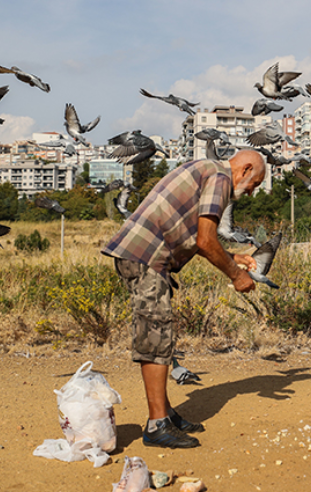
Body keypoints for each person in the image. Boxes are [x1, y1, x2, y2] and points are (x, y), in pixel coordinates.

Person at [101, 150, 266, 448]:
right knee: (156, 336)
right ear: (245, 169)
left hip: (142, 254)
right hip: (146, 256)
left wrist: (232, 257)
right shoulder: (220, 178)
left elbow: (198, 239)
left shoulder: (207, 170)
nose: (251, 193)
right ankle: (156, 425)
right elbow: (205, 239)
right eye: (254, 185)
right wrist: (236, 275)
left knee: (160, 334)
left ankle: (165, 413)